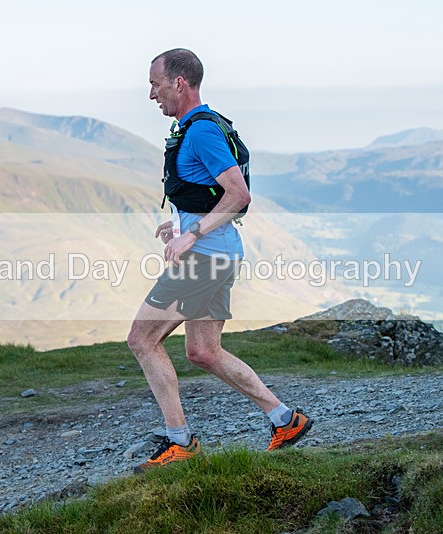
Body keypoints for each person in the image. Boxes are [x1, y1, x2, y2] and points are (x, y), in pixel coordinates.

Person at [127, 48, 312, 473]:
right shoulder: (193, 127)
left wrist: (192, 234)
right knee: (204, 352)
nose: (151, 94)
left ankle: (181, 443)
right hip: (216, 253)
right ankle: (286, 420)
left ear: (179, 82)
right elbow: (209, 194)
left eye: (155, 85)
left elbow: (239, 195)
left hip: (205, 260)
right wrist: (181, 225)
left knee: (141, 339)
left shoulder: (201, 132)